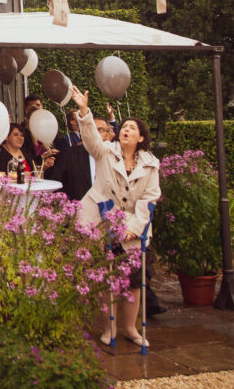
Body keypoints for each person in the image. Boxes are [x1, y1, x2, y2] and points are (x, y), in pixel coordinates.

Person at [70, 85, 160, 347]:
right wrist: (84, 111)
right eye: (123, 127)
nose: (126, 130)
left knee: (133, 282)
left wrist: (134, 227)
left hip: (134, 227)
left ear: (141, 137)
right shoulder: (106, 152)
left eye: (132, 128)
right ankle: (109, 328)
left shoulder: (150, 163)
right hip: (102, 221)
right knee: (106, 279)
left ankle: (131, 329)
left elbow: (149, 197)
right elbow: (90, 140)